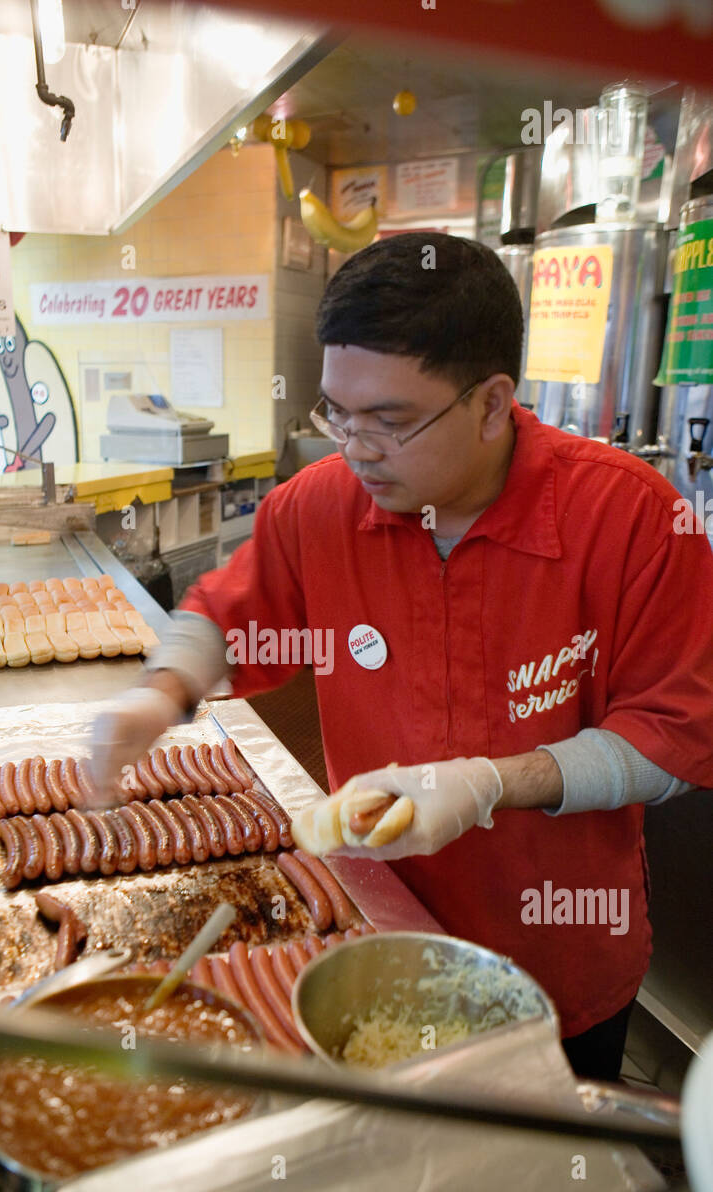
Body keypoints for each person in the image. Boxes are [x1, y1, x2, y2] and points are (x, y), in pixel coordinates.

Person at [92, 232, 713, 1082]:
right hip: (378, 938)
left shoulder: (629, 517)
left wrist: (492, 781)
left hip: (561, 958)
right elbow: (226, 614)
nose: (356, 447)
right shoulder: (318, 507)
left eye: (389, 420)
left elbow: (676, 738)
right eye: (335, 415)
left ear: (492, 403)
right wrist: (160, 693)